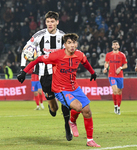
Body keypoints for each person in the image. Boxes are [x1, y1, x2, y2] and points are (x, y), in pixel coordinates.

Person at [17, 33, 100, 147]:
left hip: (74, 87)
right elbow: (38, 59)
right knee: (78, 107)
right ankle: (71, 120)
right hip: (61, 89)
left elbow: (85, 63)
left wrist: (92, 72)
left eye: (74, 42)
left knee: (87, 111)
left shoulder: (79, 55)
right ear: (64, 45)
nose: (72, 45)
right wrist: (24, 71)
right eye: (69, 43)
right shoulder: (56, 56)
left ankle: (89, 140)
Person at [20, 11, 72, 141]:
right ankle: (52, 107)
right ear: (45, 22)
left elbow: (70, 52)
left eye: (52, 21)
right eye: (48, 21)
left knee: (65, 99)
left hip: (60, 72)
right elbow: (26, 49)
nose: (50, 24)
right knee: (54, 109)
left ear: (57, 22)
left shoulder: (63, 36)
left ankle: (67, 125)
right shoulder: (39, 35)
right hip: (44, 73)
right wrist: (23, 68)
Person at [103, 40, 127, 115]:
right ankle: (115, 106)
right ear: (112, 46)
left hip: (120, 76)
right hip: (111, 75)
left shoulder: (122, 55)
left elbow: (125, 65)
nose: (115, 46)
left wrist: (120, 68)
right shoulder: (108, 55)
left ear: (119, 46)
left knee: (119, 92)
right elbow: (106, 63)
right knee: (115, 90)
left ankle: (118, 107)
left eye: (116, 44)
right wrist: (105, 68)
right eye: (114, 44)